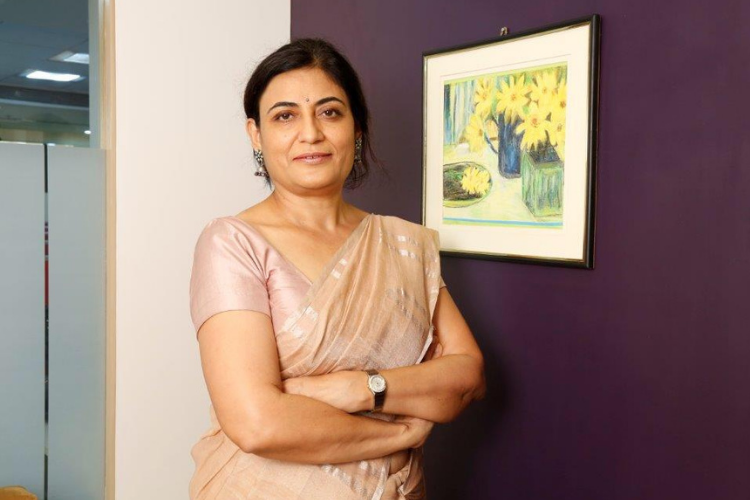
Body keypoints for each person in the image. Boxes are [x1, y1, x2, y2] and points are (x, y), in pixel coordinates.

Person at [188, 38, 486, 500]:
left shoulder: (403, 244)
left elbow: (467, 378)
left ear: (357, 127)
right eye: (285, 116)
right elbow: (257, 423)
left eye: (329, 112)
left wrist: (361, 388)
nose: (310, 133)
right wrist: (399, 433)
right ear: (256, 134)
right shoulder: (233, 243)